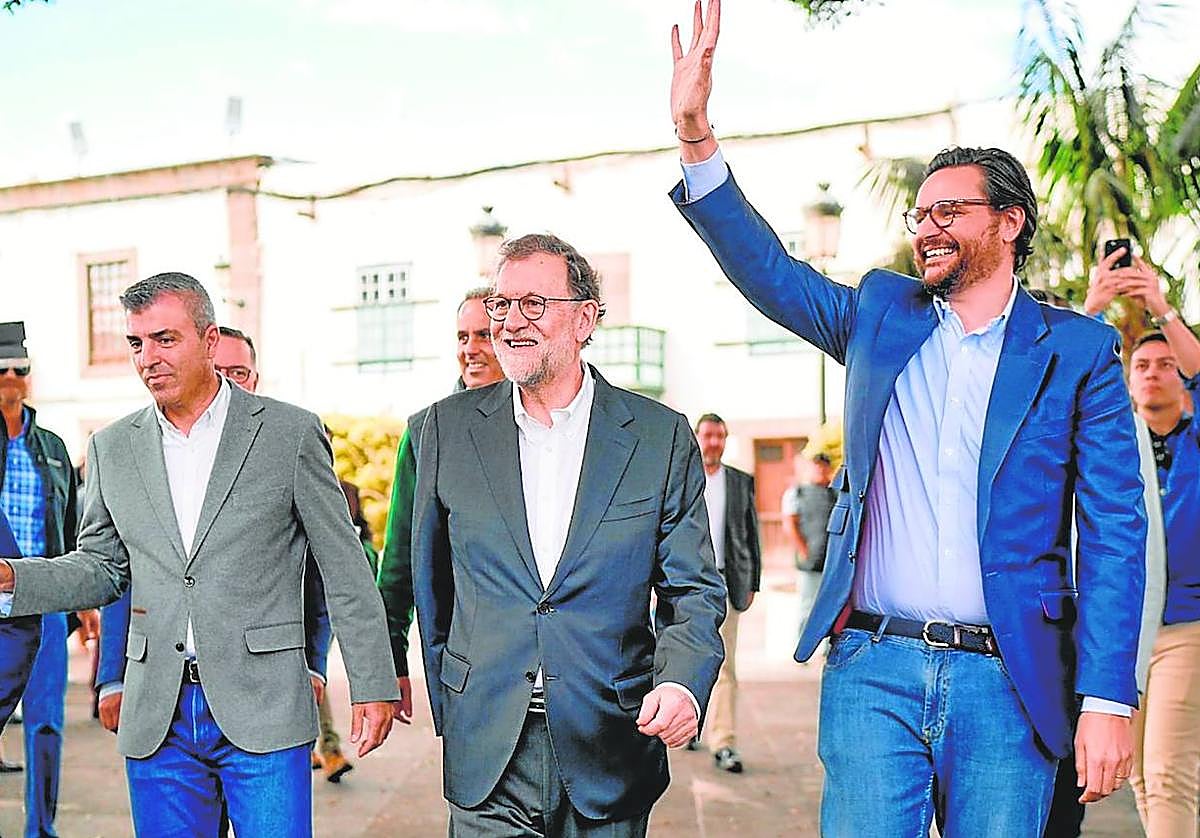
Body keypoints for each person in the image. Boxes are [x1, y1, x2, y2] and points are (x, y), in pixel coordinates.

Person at [667, 3, 1146, 833]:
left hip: (1009, 678)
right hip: (872, 668)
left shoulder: (1078, 351)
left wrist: (1107, 695)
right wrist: (696, 137)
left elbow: (1113, 531)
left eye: (948, 211)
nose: (925, 228)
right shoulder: (881, 316)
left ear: (1009, 220)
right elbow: (770, 272)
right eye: (919, 214)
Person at [0, 273, 397, 837]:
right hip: (158, 714)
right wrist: (12, 576)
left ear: (209, 340)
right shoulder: (113, 446)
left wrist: (373, 681)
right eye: (137, 343)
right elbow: (104, 567)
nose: (148, 358)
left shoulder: (290, 434)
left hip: (264, 704)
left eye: (166, 339)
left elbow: (344, 567)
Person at [412, 234, 726, 835]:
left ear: (585, 318)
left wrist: (683, 682)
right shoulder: (444, 431)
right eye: (501, 305)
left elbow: (693, 589)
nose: (509, 323)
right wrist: (452, 695)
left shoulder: (658, 437)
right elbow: (431, 584)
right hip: (487, 747)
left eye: (534, 304)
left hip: (612, 739)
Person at [1085, 246, 1200, 836]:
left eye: (1165, 364)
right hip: (1128, 628)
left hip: (1186, 627)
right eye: (1141, 365)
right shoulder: (1113, 440)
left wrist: (1159, 307)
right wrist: (1095, 303)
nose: (1153, 371)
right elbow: (1056, 387)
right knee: (1141, 778)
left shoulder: (1195, 438)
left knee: (1167, 771)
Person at [377, 286, 504, 727]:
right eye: (463, 337)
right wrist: (390, 660)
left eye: (484, 336)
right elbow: (400, 560)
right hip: (463, 662)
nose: (471, 349)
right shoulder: (425, 434)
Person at [0, 320, 95, 838]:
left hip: (42, 601)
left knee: (45, 724)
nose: (12, 377)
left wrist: (81, 598)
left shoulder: (54, 448)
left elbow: (68, 530)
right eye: (2, 368)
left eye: (22, 368)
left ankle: (42, 829)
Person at [694, 412, 760, 773]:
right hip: (682, 584)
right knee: (676, 659)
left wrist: (753, 582)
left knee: (725, 665)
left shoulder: (739, 482)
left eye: (720, 436)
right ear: (697, 437)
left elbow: (751, 534)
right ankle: (689, 724)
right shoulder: (682, 476)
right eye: (707, 435)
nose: (713, 442)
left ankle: (723, 741)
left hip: (725, 583)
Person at [781, 450, 837, 642]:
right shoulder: (798, 493)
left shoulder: (836, 494)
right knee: (806, 606)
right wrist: (803, 550)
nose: (821, 469)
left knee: (831, 607)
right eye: (817, 465)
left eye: (824, 465)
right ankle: (802, 645)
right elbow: (789, 524)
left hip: (831, 562)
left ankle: (828, 648)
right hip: (809, 561)